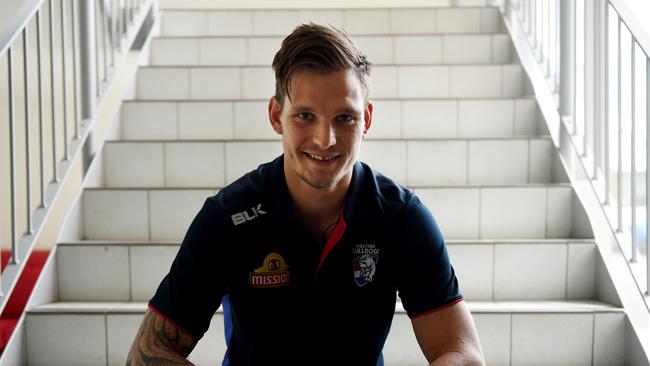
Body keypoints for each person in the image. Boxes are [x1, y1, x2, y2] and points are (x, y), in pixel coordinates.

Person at [126, 23, 485, 366]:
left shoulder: (402, 218)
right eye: (305, 116)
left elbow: (462, 351)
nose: (324, 139)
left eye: (344, 117)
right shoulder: (228, 217)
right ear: (276, 115)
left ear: (367, 120)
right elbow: (149, 350)